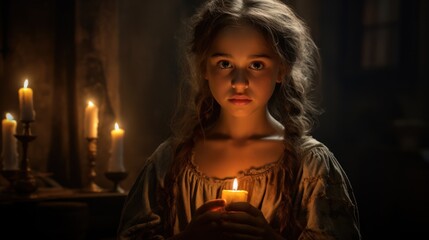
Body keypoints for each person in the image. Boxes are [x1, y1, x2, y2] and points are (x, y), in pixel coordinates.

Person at [117, 0, 361, 239]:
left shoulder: (311, 167)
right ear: (204, 68)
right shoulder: (169, 161)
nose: (239, 82)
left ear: (281, 70)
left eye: (256, 65)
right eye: (225, 64)